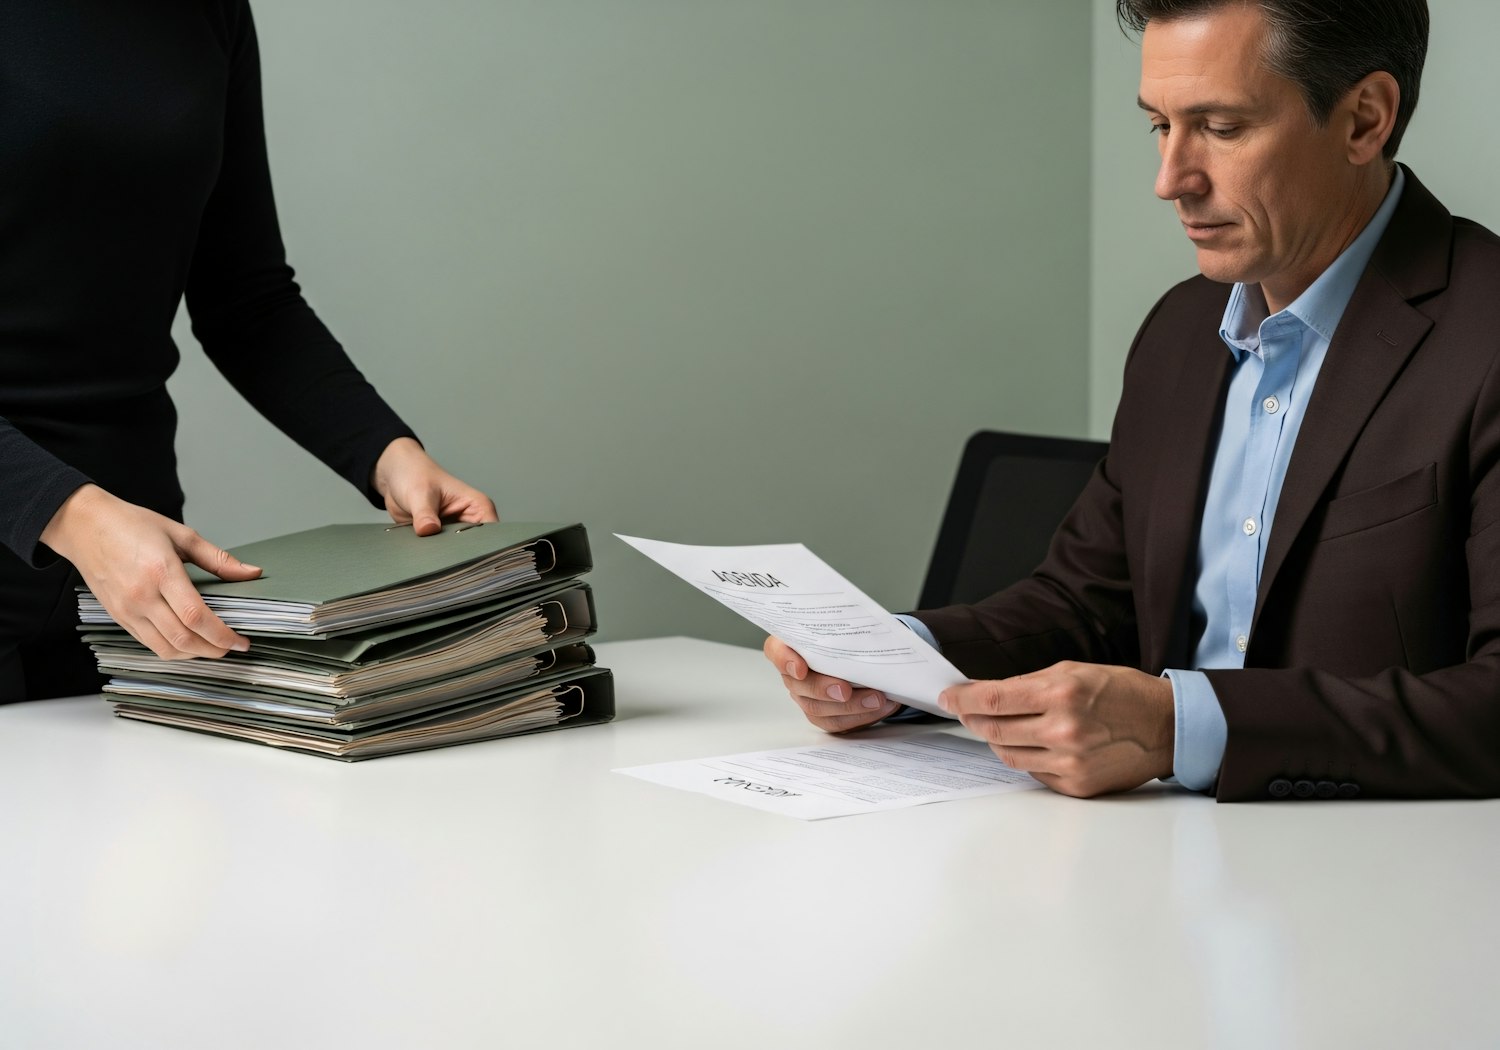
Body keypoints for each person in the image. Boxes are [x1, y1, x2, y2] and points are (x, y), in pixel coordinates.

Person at [767, 0, 1500, 801]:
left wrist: (1182, 726)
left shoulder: (1485, 332)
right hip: (1157, 867)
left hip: (1395, 889)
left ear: (1365, 119)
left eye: (1220, 128)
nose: (1170, 180)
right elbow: (1084, 604)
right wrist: (892, 661)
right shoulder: (1181, 330)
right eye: (1161, 125)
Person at [0, 1, 496, 703]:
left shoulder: (207, 12)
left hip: (133, 584)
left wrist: (386, 452)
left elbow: (245, 295)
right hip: (79, 529)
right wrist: (69, 512)